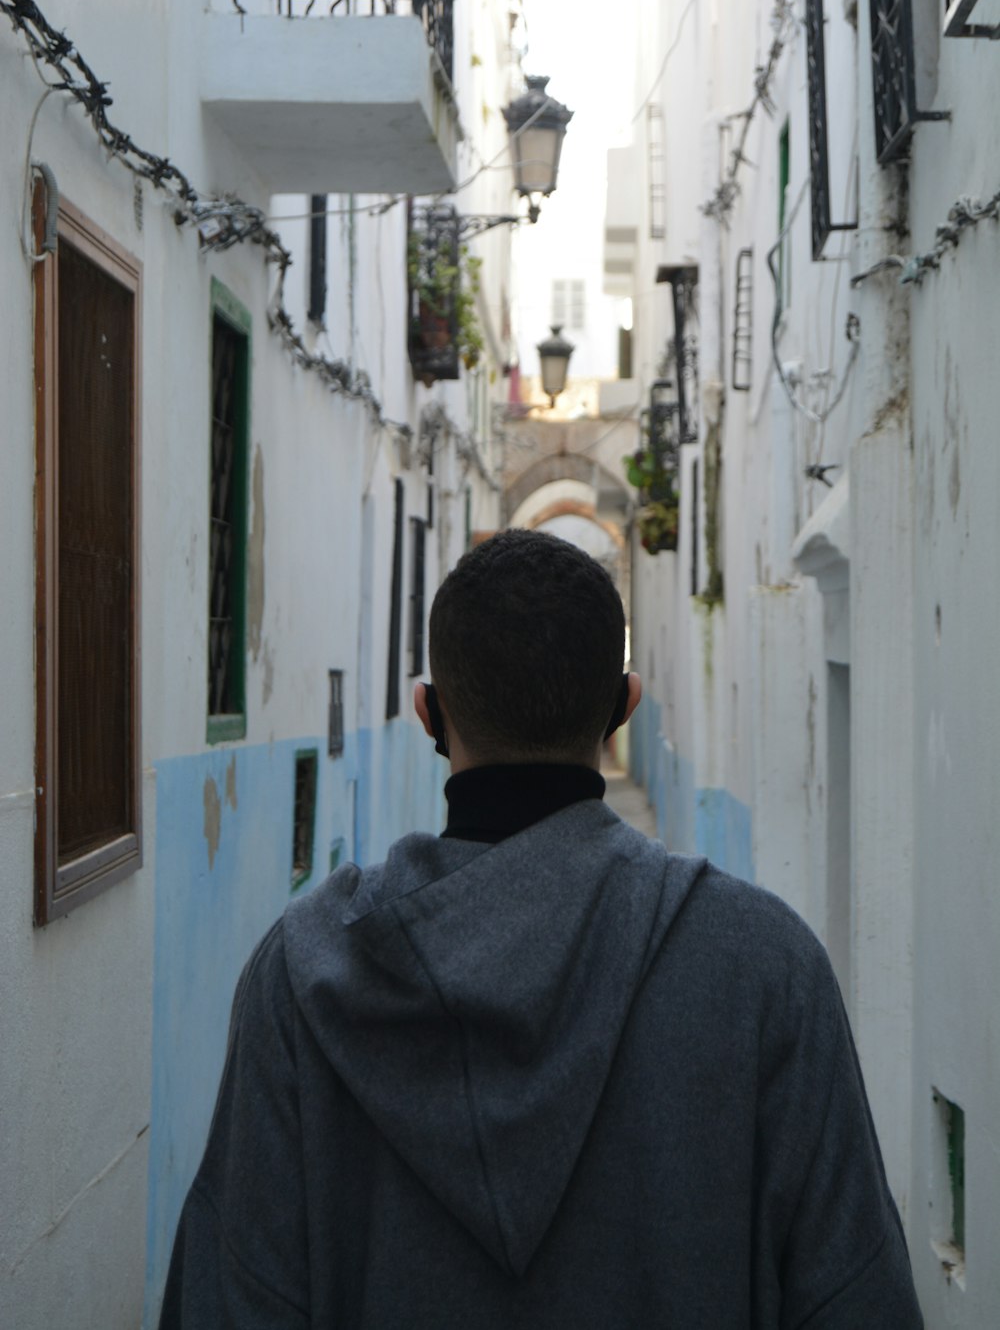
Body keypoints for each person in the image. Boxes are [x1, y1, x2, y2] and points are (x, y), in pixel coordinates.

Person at [160, 529, 923, 1328]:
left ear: (429, 715)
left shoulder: (298, 978)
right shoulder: (766, 969)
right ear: (623, 708)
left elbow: (235, 1291)